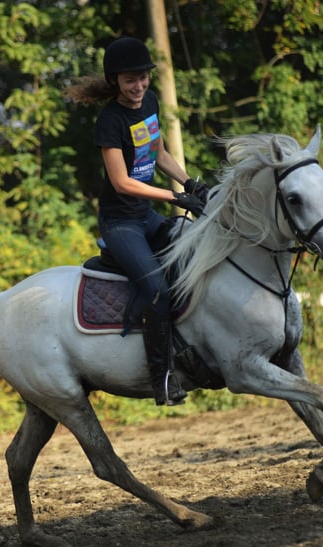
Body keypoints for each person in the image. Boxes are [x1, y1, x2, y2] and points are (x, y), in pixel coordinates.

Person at [66, 36, 209, 406]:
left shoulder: (149, 102)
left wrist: (188, 181)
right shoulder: (110, 121)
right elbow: (122, 182)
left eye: (144, 78)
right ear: (115, 81)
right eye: (131, 80)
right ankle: (162, 378)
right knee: (158, 292)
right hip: (120, 225)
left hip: (145, 215)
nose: (139, 86)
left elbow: (157, 152)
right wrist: (175, 197)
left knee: (193, 256)